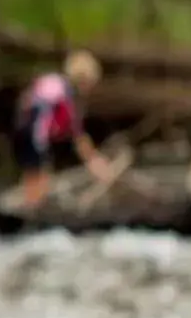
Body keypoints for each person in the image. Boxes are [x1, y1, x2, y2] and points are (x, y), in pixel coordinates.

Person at [11, 49, 118, 206]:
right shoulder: (67, 94)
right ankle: (32, 212)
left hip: (22, 130)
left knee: (32, 174)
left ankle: (26, 207)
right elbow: (77, 135)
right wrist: (96, 164)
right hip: (34, 135)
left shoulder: (53, 82)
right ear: (84, 79)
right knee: (40, 178)